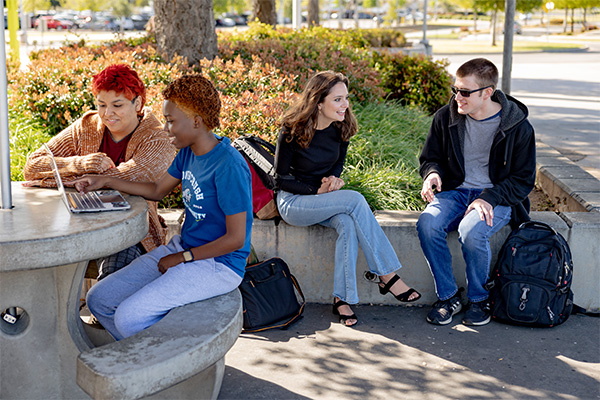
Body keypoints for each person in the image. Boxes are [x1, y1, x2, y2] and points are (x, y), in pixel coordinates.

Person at [72, 74, 253, 340]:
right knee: (99, 299)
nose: (166, 129)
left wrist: (182, 259)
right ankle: (145, 356)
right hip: (184, 248)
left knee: (128, 317)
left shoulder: (229, 166)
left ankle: (166, 366)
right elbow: (157, 190)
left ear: (196, 121)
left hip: (219, 265)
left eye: (170, 121)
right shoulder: (189, 152)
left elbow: (236, 239)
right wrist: (107, 180)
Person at [274, 70, 421, 328]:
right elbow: (279, 179)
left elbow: (336, 167)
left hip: (324, 201)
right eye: (338, 100)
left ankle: (342, 298)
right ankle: (387, 275)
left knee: (348, 223)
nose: (346, 105)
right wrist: (316, 191)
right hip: (294, 203)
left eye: (346, 98)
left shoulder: (342, 127)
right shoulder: (291, 129)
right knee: (354, 200)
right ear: (319, 102)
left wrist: (334, 180)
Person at [24, 64, 175, 280]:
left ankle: (102, 313)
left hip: (131, 230)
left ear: (138, 103)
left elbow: (134, 176)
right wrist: (81, 164)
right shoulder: (86, 126)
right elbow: (32, 166)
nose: (107, 113)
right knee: (39, 255)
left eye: (117, 105)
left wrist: (79, 179)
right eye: (101, 104)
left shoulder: (157, 137)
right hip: (77, 222)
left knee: (114, 277)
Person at [417, 58, 536, 326]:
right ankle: (448, 297)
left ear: (487, 93)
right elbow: (429, 158)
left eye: (465, 92)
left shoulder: (517, 127)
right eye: (455, 90)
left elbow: (523, 179)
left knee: (471, 232)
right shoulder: (446, 117)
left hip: (498, 196)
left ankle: (479, 299)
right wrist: (432, 174)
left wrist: (488, 198)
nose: (458, 97)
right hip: (456, 192)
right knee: (427, 223)